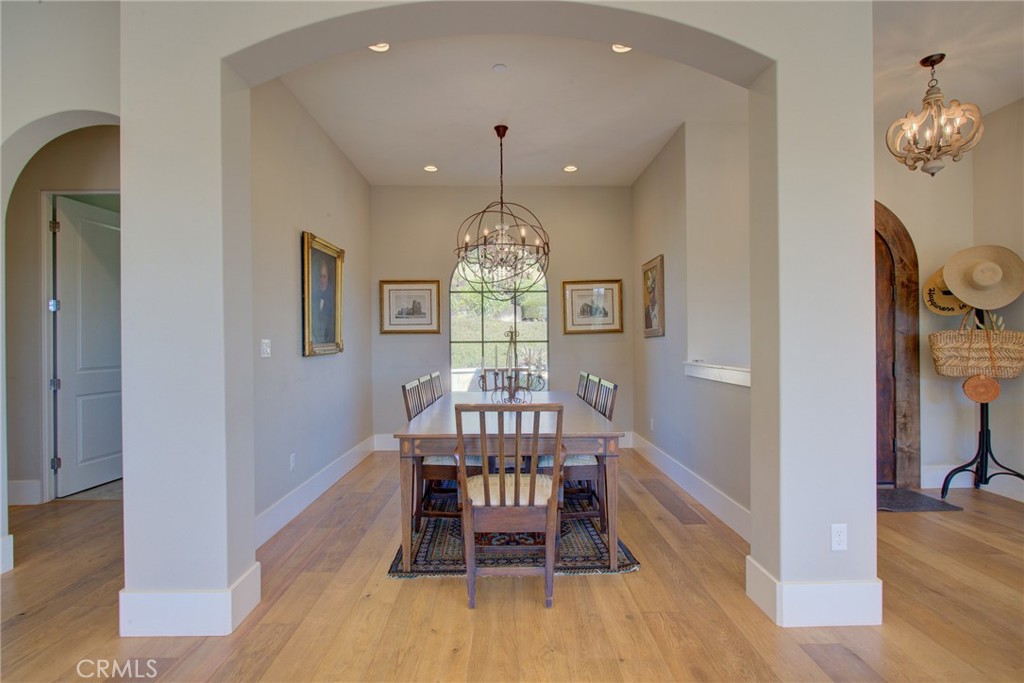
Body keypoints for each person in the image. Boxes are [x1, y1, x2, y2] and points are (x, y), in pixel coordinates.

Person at [311, 256, 335, 343]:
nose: (322, 280)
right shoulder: (313, 298)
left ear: (328, 278)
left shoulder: (333, 301)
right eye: (320, 276)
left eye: (324, 276)